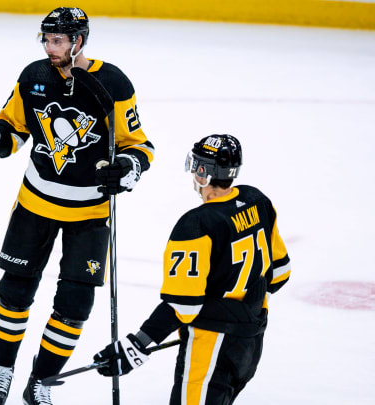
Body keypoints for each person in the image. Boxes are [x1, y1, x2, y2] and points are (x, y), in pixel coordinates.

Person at [0, 7, 155, 405]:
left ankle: (42, 380)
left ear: (79, 41)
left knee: (75, 305)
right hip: (35, 204)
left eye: (58, 41)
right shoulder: (33, 76)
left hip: (89, 214)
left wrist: (127, 168)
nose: (49, 47)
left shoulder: (113, 83)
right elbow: (14, 129)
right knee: (14, 292)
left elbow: (139, 146)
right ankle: (2, 367)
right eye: (46, 40)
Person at [93, 134, 292, 404]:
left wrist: (137, 344)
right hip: (250, 345)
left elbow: (183, 305)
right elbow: (279, 275)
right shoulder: (258, 200)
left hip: (210, 348)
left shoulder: (196, 225)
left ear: (203, 173)